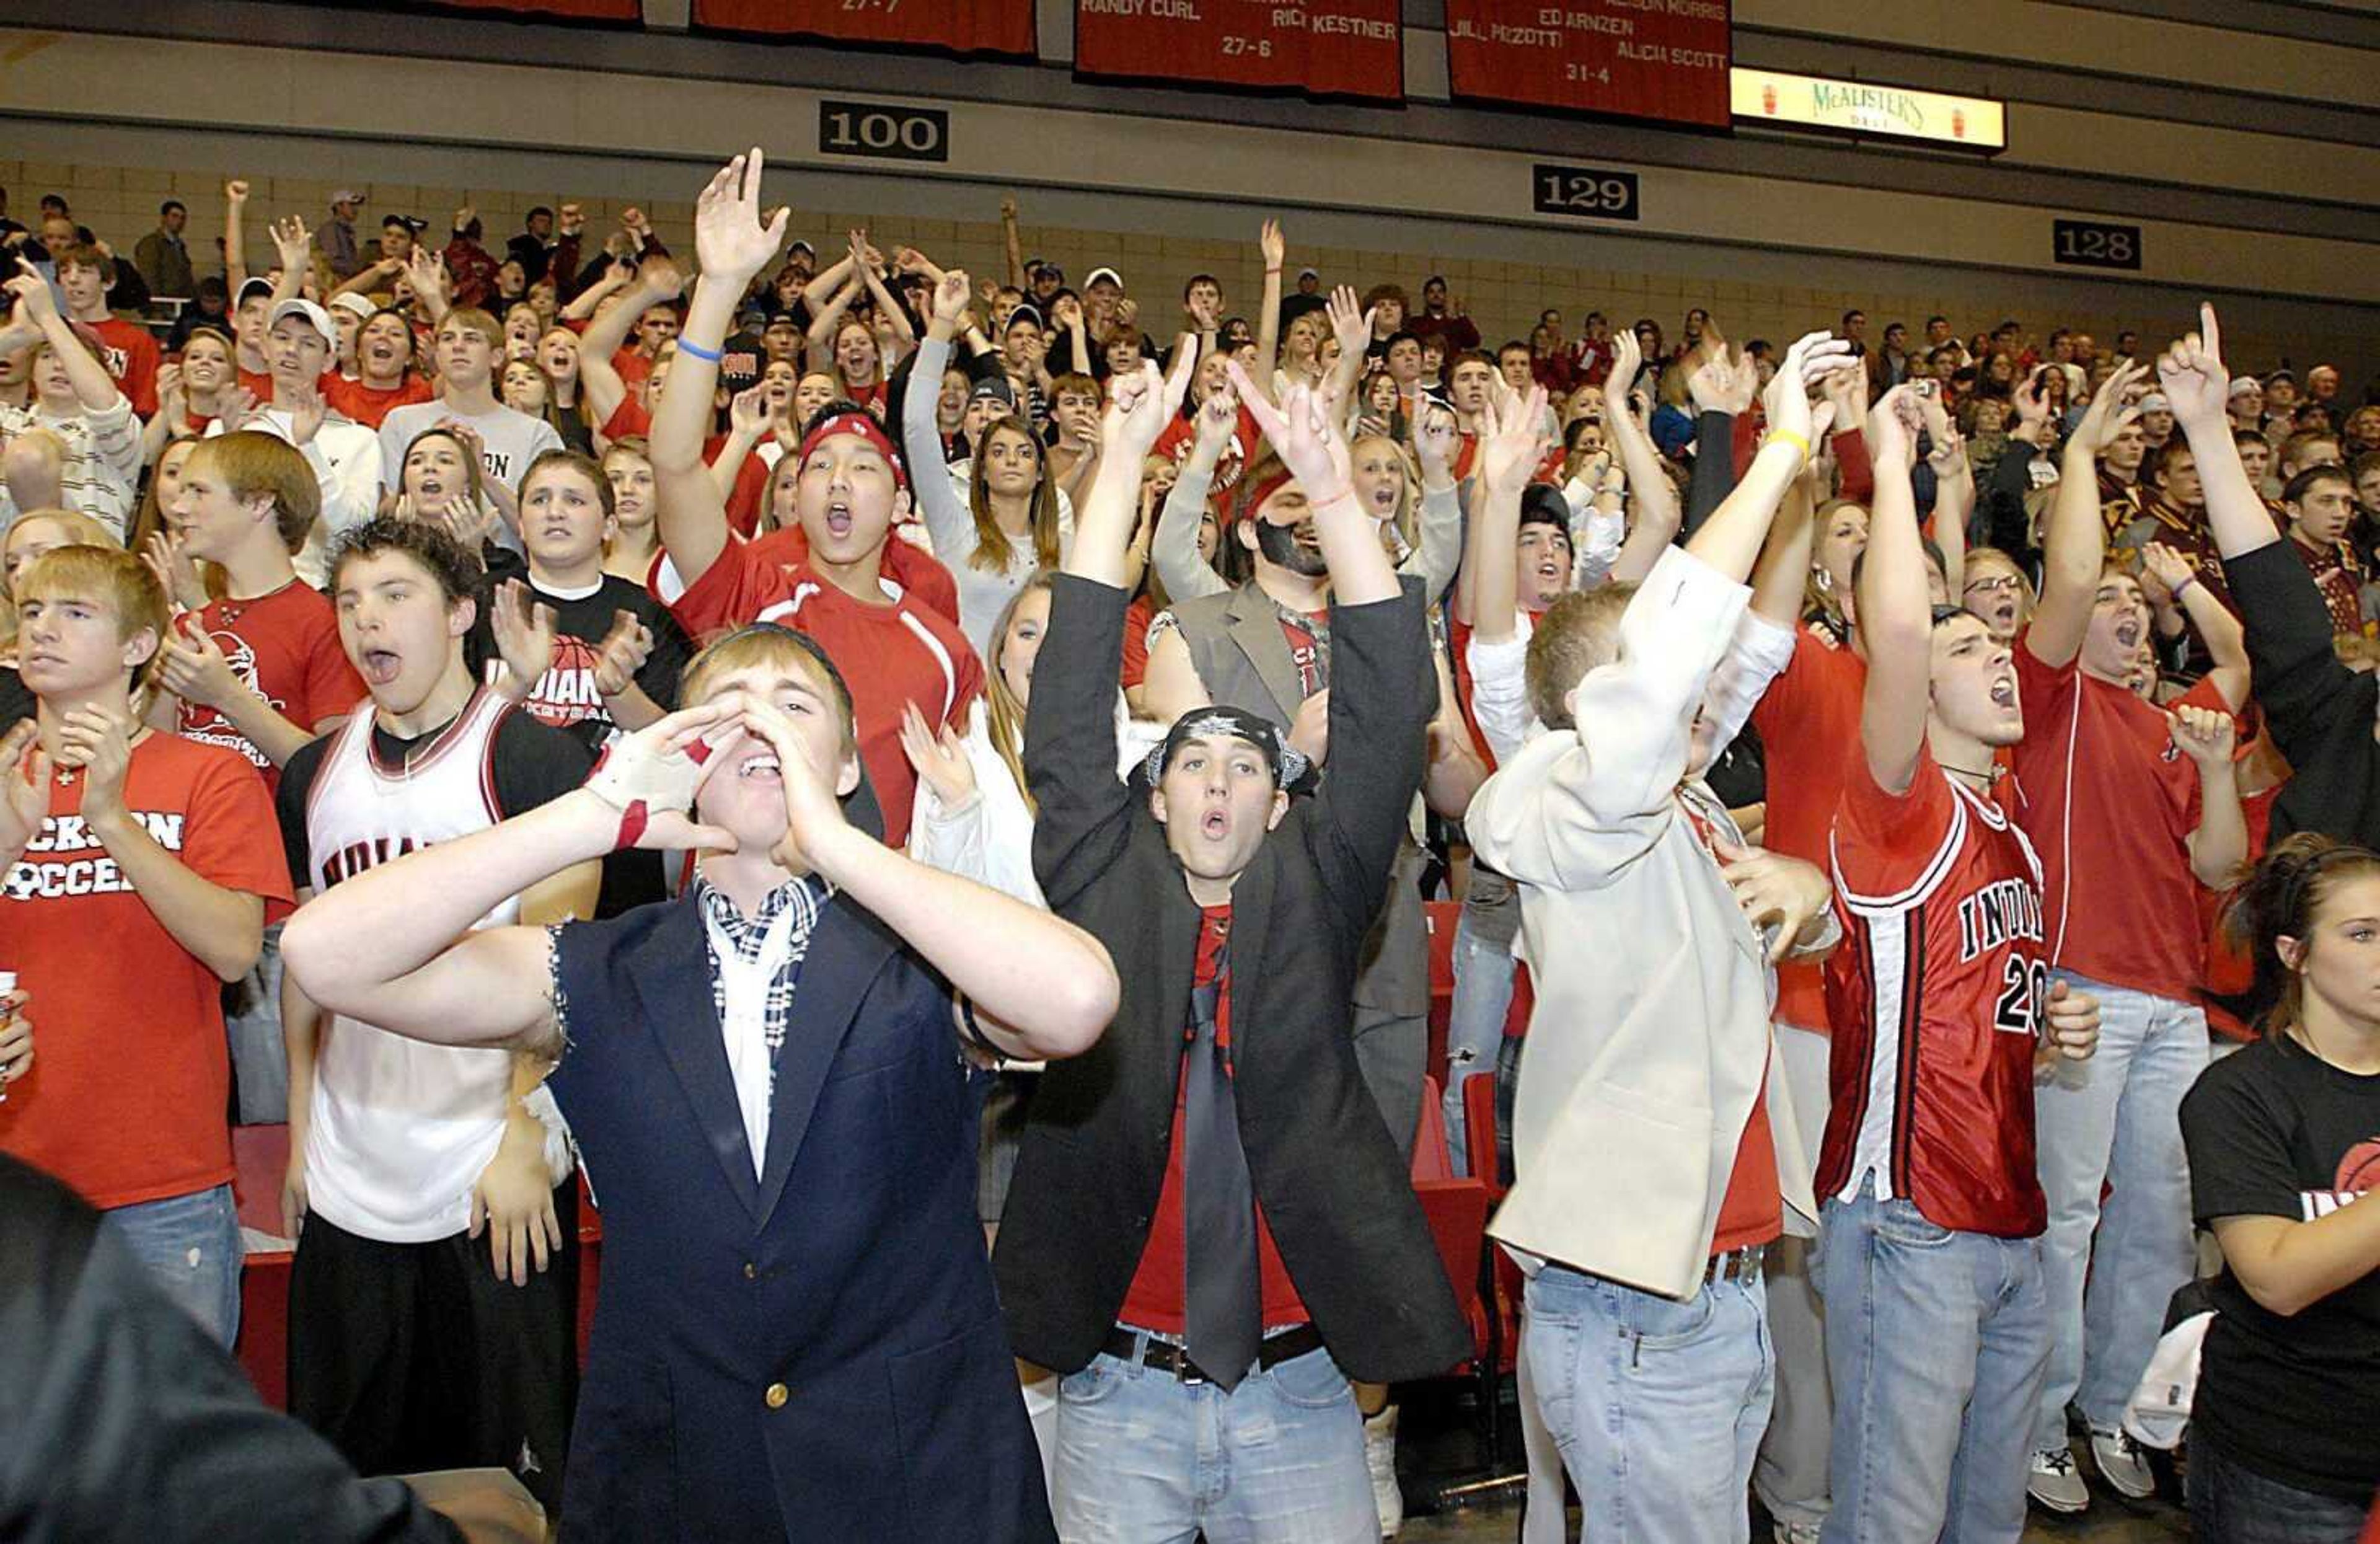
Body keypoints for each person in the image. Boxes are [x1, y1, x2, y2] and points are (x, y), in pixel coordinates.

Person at [280, 193, 1116, 1544]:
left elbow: (1075, 1002)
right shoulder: (600, 965)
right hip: (680, 1476)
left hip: (912, 1476)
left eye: (796, 709)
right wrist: (587, 818)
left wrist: (839, 842)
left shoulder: (914, 953)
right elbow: (322, 956)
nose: (754, 727)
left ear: (846, 761)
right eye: (724, 709)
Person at [998, 334, 1467, 1542]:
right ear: (1152, 795)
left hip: (1301, 1393)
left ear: (1280, 797)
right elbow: (1063, 702)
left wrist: (1329, 491)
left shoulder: (1321, 880)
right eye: (1190, 762)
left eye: (1245, 764)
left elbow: (1382, 709)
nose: (1216, 783)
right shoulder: (1103, 876)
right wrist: (1120, 461)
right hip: (1119, 1390)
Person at [1467, 333, 1851, 1544]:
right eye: (1671, 696)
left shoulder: (1677, 807)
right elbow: (1675, 650)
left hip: (1715, 1281)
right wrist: (1777, 443)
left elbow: (1782, 916)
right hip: (1635, 1303)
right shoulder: (1564, 800)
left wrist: (1809, 897)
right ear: (1607, 708)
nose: (1701, 712)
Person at [1815, 386, 2102, 1544]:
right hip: (1911, 1219)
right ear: (1915, 685)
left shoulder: (2016, 826)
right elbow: (1891, 630)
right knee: (1893, 1520)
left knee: (1985, 1522)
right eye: (1967, 646)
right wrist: (1890, 467)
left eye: (2000, 645)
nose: (1996, 659)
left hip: (2013, 1221)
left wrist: (2051, 1025)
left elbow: (2071, 594)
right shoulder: (1896, 808)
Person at [276, 518, 595, 1512]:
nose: (369, 618)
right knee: (350, 1486)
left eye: (397, 594)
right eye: (351, 600)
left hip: (484, 1177)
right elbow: (305, 971)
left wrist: (520, 1135)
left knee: (511, 1487)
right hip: (351, 1173)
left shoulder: (533, 760)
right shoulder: (312, 776)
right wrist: (297, 1134)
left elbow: (562, 973)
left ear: (461, 613)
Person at [2012, 361, 2247, 1515]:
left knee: (2155, 1216)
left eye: (2131, 606)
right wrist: (2083, 458)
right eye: (2108, 603)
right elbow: (2059, 582)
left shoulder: (2171, 727)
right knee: (2061, 1217)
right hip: (2080, 988)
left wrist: (2210, 771)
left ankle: (2112, 1405)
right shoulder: (2049, 704)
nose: (2121, 614)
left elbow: (2220, 868)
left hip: (2175, 999)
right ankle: (2038, 1418)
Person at [0, 545, 290, 1345]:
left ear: (138, 648)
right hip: (17, 1175)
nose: (43, 630)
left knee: (173, 1460)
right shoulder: (3, 776)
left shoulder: (207, 775)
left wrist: (112, 823)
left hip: (164, 1181)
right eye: (31, 611)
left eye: (74, 612)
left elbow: (236, 950)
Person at [646, 159, 981, 851]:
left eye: (863, 468)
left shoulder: (943, 648)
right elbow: (676, 464)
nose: (837, 479)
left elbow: (956, 811)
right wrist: (718, 289)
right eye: (819, 465)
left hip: (872, 934)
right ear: (794, 496)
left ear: (898, 507)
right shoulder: (752, 592)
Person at [154, 431, 369, 1121]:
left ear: (259, 504)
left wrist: (228, 696)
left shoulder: (323, 620)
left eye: (199, 491)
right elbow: (159, 752)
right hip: (190, 895)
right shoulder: (198, 621)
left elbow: (333, 772)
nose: (179, 506)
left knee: (279, 1117)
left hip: (280, 902)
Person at [2177, 834, 2380, 1543]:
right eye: (2363, 934)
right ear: (2294, 953)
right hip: (2291, 1465)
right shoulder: (2240, 1095)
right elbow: (2277, 1276)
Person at [903, 268, 1072, 650]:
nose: (1012, 459)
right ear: (980, 469)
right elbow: (916, 424)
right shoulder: (955, 529)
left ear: (1042, 470)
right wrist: (944, 322)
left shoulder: (1061, 547)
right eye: (998, 451)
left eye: (1025, 452)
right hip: (971, 704)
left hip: (1036, 704)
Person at [205, 297, 384, 588]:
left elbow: (353, 531)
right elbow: (203, 516)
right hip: (234, 588)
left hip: (319, 591)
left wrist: (309, 449)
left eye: (308, 343)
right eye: (282, 338)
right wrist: (225, 448)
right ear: (265, 348)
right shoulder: (231, 428)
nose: (291, 350)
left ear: (329, 360)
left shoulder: (359, 439)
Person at [379, 307, 566, 518]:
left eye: (472, 339)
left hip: (503, 549)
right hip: (417, 549)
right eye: (448, 339)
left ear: (496, 357)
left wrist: (482, 476)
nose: (458, 347)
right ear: (438, 357)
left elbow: (546, 525)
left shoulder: (537, 434)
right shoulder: (401, 421)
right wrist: (429, 448)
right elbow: (383, 515)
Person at [0, 259, 141, 537]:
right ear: (31, 370)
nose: (59, 365)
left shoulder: (112, 435)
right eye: (47, 355)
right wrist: (16, 336)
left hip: (88, 569)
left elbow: (107, 407)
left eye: (71, 355)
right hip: (13, 572)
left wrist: (50, 318)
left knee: (32, 457)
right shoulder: (8, 422)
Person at [56, 240, 160, 417]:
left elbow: (146, 405)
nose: (73, 279)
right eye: (65, 272)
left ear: (109, 283)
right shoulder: (50, 335)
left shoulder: (137, 341)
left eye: (84, 271)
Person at [132, 198, 195, 299]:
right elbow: (149, 277)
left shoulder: (179, 245)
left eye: (182, 218)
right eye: (174, 216)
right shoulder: (151, 243)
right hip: (161, 304)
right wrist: (156, 302)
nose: (179, 221)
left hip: (179, 302)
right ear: (164, 218)